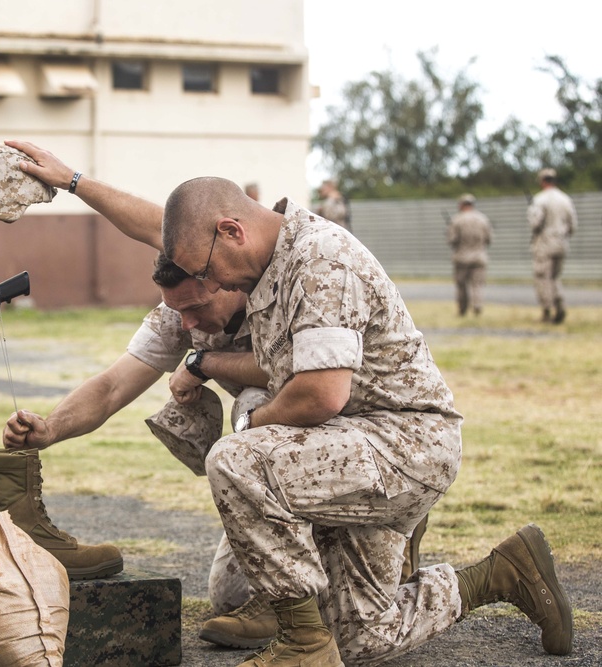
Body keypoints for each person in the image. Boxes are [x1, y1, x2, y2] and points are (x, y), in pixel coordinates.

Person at [2, 140, 432, 650]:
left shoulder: (288, 274)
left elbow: (303, 381)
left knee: (250, 409)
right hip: (296, 452)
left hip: (364, 437)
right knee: (232, 595)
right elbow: (115, 382)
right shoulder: (190, 295)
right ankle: (353, 577)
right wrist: (51, 428)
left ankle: (377, 545)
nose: (188, 320)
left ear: (231, 268)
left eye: (205, 284)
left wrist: (203, 365)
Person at [161, 178, 572, 666]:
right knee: (360, 639)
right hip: (347, 450)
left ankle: (302, 646)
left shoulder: (319, 259)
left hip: (405, 445)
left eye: (206, 271)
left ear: (231, 231)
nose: (214, 285)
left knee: (236, 458)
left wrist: (253, 423)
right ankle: (500, 573)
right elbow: (284, 373)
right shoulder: (265, 269)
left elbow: (320, 393)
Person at [528, 168, 578, 323]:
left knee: (543, 278)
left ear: (542, 181)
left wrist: (530, 213)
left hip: (544, 245)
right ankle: (560, 305)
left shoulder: (540, 199)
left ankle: (547, 311)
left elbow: (535, 224)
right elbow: (573, 225)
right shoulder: (565, 199)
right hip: (561, 244)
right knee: (555, 277)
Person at [447, 193, 493, 316]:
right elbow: (489, 239)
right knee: (478, 284)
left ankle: (462, 309)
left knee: (461, 286)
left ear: (461, 205)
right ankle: (477, 306)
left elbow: (452, 240)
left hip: (462, 258)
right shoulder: (483, 219)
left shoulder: (456, 220)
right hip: (479, 257)